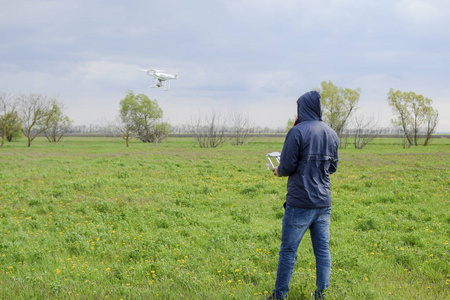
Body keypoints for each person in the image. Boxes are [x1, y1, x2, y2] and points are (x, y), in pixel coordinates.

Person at [268, 90, 339, 300]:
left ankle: (279, 296)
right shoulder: (332, 133)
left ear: (303, 108)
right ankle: (321, 294)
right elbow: (333, 168)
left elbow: (288, 166)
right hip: (323, 203)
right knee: (322, 251)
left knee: (288, 251)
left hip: (300, 202)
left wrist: (278, 170)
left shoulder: (297, 132)